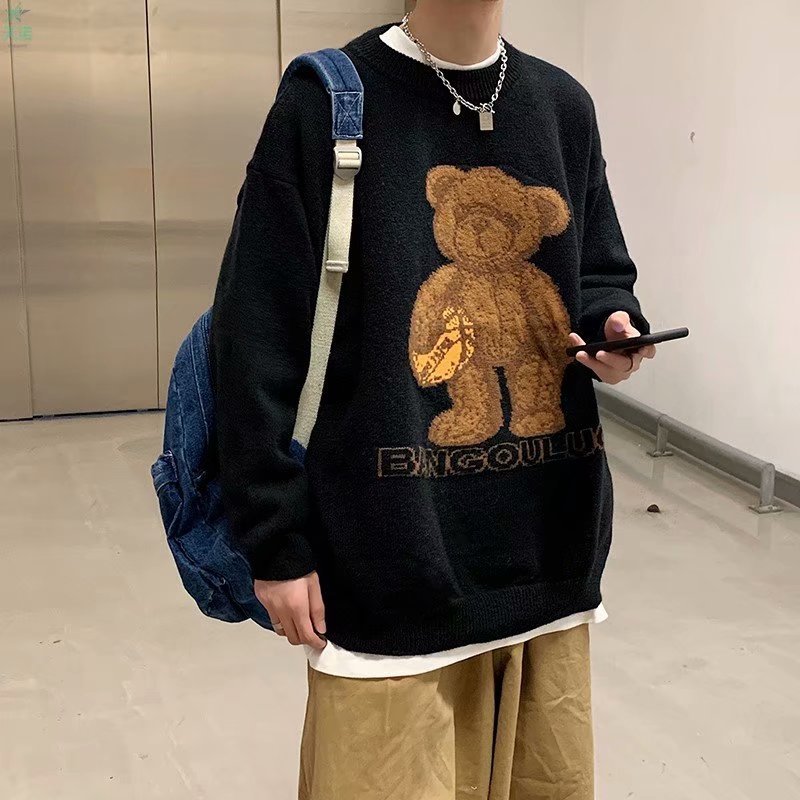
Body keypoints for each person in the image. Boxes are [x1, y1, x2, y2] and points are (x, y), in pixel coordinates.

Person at [210, 1, 655, 797]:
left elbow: (596, 269)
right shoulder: (326, 103)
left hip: (547, 553)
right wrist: (274, 541)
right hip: (388, 563)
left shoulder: (561, 105)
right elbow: (255, 336)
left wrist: (610, 326)